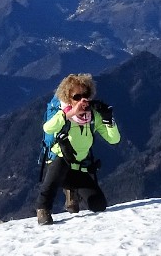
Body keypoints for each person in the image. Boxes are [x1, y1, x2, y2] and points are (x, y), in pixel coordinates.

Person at [36, 73, 120, 225]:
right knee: (60, 163)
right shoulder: (62, 114)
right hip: (57, 166)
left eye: (86, 95)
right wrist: (71, 113)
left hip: (78, 169)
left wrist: (108, 120)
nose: (83, 100)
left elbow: (114, 139)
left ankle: (71, 190)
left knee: (99, 205)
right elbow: (48, 128)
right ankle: (43, 208)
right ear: (67, 98)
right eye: (76, 96)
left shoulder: (93, 116)